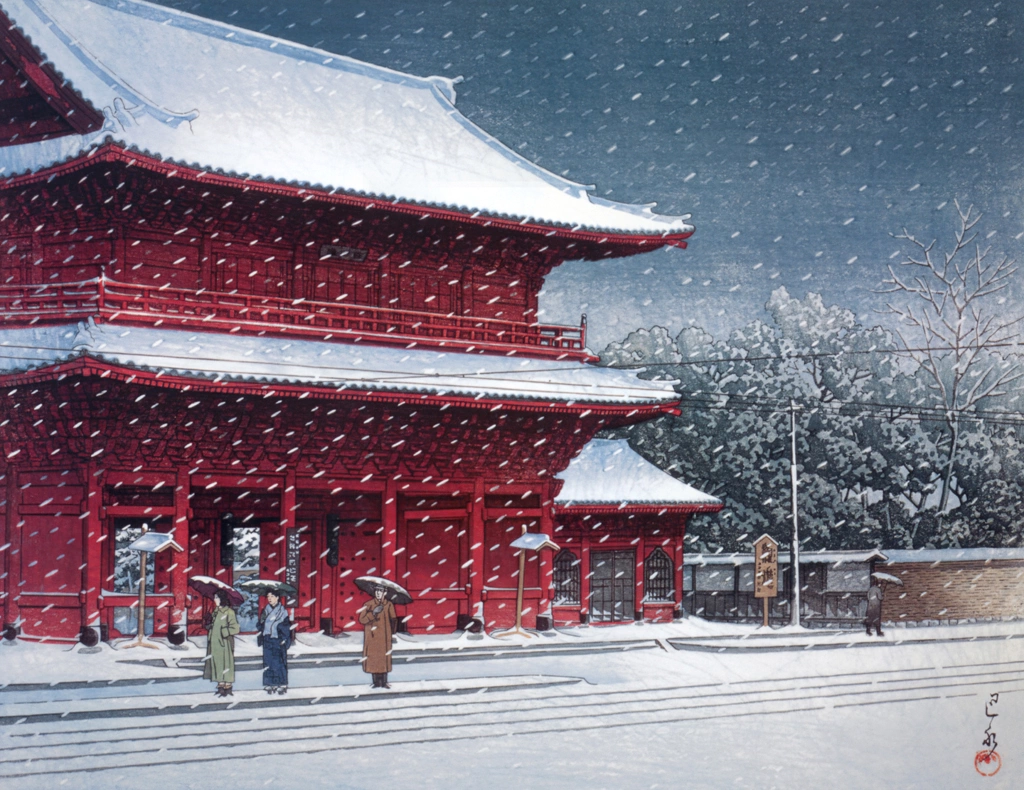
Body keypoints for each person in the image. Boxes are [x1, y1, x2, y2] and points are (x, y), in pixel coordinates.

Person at [358, 585, 397, 688]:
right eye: (376, 591)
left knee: (384, 658)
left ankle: (384, 682)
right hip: (372, 636)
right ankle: (375, 682)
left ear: (385, 593)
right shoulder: (368, 604)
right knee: (374, 659)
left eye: (380, 591)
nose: (378, 593)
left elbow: (393, 619)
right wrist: (373, 613)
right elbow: (362, 619)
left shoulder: (389, 605)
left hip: (384, 636)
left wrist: (392, 633)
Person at [204, 590, 240, 697]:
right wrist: (208, 623)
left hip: (225, 642)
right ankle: (220, 685)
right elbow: (213, 626)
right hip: (215, 642)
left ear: (221, 599)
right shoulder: (215, 611)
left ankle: (227, 686)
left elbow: (235, 628)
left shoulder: (229, 612)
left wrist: (224, 632)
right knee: (217, 663)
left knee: (226, 663)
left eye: (216, 597)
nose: (214, 600)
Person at [258, 590, 292, 695]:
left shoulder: (283, 611)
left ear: (277, 598)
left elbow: (286, 626)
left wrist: (283, 638)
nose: (269, 598)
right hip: (267, 638)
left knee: (279, 662)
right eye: (268, 596)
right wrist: (261, 624)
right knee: (268, 662)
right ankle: (269, 683)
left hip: (278, 638)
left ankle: (281, 684)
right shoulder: (265, 610)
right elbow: (260, 624)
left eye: (272, 596)